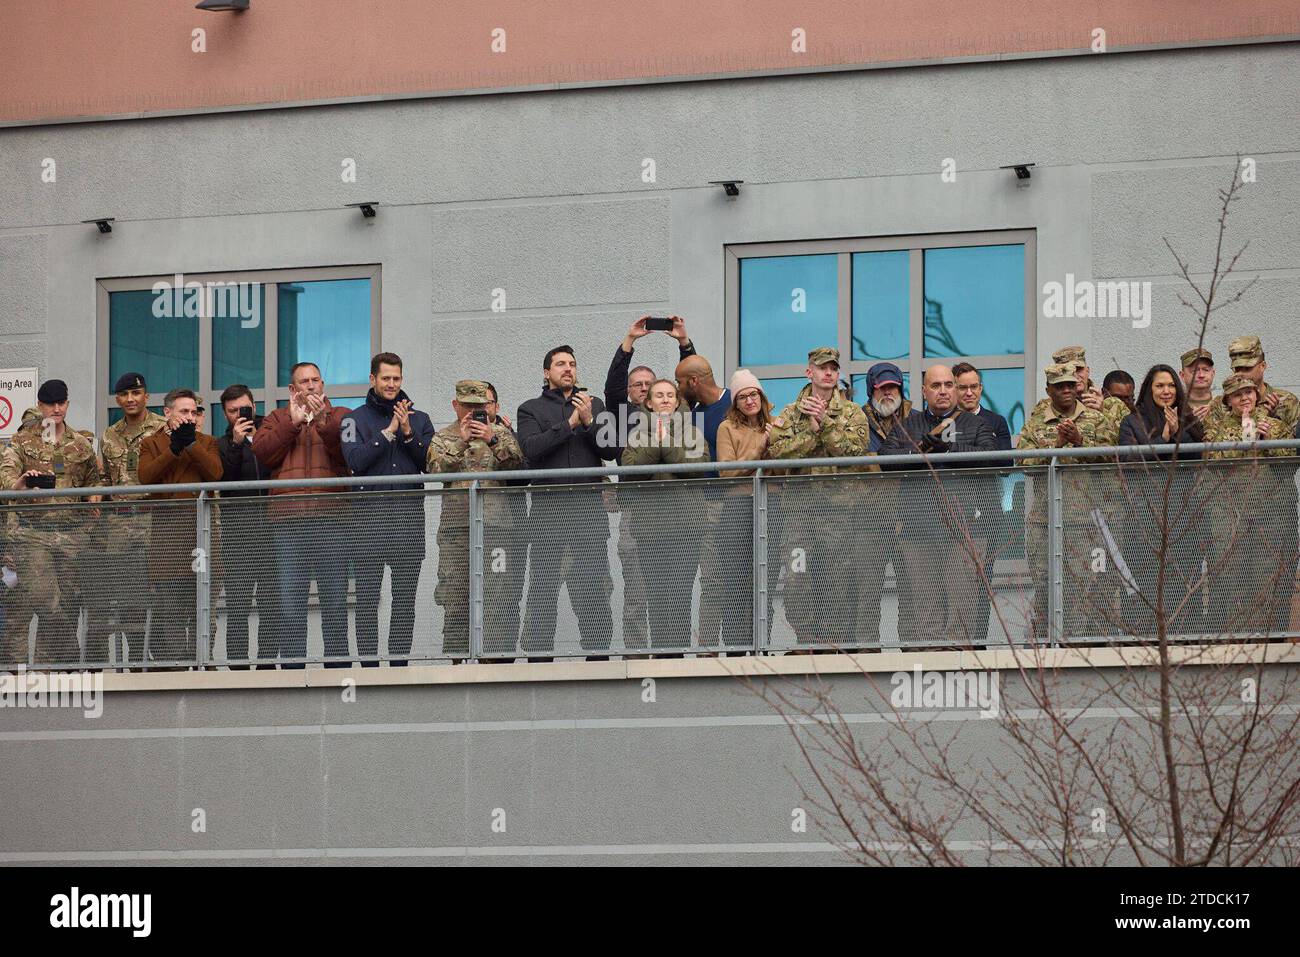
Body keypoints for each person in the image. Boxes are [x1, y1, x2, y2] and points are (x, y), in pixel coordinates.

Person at [880, 364, 1000, 647]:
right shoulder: (908, 425)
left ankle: (961, 680)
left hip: (965, 530)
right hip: (918, 532)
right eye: (936, 386)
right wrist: (921, 448)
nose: (943, 391)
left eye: (949, 385)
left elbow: (994, 457)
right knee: (926, 617)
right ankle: (933, 677)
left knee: (962, 614)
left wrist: (951, 449)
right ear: (924, 391)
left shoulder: (975, 424)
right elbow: (886, 458)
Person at [517, 345, 619, 660]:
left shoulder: (594, 404)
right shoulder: (530, 409)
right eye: (560, 364)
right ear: (547, 372)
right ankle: (539, 658)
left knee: (592, 586)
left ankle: (598, 655)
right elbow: (532, 449)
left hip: (589, 512)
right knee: (543, 588)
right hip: (549, 511)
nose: (568, 369)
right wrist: (570, 425)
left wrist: (589, 420)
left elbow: (612, 450)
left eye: (572, 364)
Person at [767, 347, 873, 648]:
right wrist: (812, 434)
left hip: (837, 511)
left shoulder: (852, 412)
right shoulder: (791, 413)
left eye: (833, 368)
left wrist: (825, 422)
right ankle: (806, 640)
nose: (828, 373)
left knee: (836, 575)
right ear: (809, 372)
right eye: (821, 367)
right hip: (799, 512)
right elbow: (777, 453)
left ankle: (832, 641)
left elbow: (855, 451)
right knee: (798, 576)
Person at [251, 361, 351, 668]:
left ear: (323, 384)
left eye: (316, 380)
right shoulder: (276, 418)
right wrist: (291, 424)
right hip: (288, 523)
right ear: (293, 389)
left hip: (330, 520)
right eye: (304, 382)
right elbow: (262, 453)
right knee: (290, 603)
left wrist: (323, 422)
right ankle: (294, 671)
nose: (311, 386)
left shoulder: (341, 416)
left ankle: (337, 670)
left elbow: (348, 453)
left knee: (334, 602)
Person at [341, 353, 435, 667]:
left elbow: (429, 464)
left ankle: (399, 668)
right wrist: (388, 432)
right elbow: (354, 462)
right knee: (366, 602)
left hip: (408, 524)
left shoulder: (420, 419)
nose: (392, 384)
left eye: (396, 378)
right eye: (386, 378)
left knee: (404, 603)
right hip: (366, 526)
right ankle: (368, 669)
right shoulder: (352, 420)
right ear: (373, 379)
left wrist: (408, 431)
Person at [0, 380, 101, 667]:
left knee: (67, 602)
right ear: (40, 405)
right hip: (33, 534)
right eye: (49, 403)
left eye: (61, 403)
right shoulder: (20, 442)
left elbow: (94, 481)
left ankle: (46, 671)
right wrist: (19, 484)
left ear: (67, 404)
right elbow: (6, 478)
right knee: (44, 600)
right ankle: (70, 647)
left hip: (71, 535)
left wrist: (94, 498)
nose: (56, 409)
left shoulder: (80, 444)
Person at [426, 380, 524, 661]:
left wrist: (492, 439)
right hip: (457, 531)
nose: (473, 412)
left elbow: (517, 467)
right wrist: (461, 442)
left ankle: (493, 662)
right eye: (467, 406)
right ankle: (458, 665)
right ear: (456, 406)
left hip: (497, 530)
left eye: (479, 407)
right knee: (455, 595)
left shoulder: (502, 434)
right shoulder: (443, 437)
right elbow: (434, 471)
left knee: (497, 595)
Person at [1016, 364, 1108, 641]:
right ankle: (1044, 642)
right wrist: (1055, 446)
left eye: (1070, 385)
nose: (1067, 390)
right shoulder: (1035, 422)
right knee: (1044, 583)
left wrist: (1079, 442)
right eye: (1060, 386)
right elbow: (1024, 463)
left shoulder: (1095, 419)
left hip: (1081, 520)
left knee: (1079, 584)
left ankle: (1073, 645)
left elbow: (1109, 461)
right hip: (1043, 519)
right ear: (1048, 390)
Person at [1117, 364, 1209, 638]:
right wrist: (1165, 437)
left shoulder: (1189, 417)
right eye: (1160, 386)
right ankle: (1144, 640)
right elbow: (1130, 459)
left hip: (1184, 515)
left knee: (1182, 581)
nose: (1166, 391)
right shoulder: (1132, 420)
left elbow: (1197, 459)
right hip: (1144, 516)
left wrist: (1180, 430)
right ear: (1149, 389)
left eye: (1170, 385)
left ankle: (1182, 638)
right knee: (1145, 582)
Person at [620, 378, 709, 653]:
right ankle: (660, 654)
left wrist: (664, 442)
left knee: (679, 594)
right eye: (659, 395)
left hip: (687, 528)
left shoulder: (693, 431)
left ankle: (677, 654)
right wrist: (657, 443)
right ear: (648, 402)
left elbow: (698, 467)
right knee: (656, 596)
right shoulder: (636, 435)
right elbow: (631, 471)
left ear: (678, 400)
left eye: (671, 395)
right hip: (649, 530)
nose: (666, 400)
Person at [1204, 373, 1296, 634]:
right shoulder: (1217, 428)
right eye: (1238, 394)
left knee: (1265, 577)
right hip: (1230, 513)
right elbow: (1213, 458)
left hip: (1268, 513)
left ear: (1257, 395)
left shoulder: (1273, 425)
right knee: (1232, 577)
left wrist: (1269, 442)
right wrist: (1244, 440)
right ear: (1228, 400)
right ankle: (1237, 638)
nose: (1245, 398)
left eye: (1249, 392)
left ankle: (1264, 639)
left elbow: (1289, 463)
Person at [138, 389, 223, 667]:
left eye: (194, 412)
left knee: (203, 603)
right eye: (184, 411)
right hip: (167, 536)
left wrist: (190, 445)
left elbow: (215, 474)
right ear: (167, 413)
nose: (190, 417)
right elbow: (147, 478)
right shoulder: (151, 443)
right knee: (171, 606)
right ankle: (176, 662)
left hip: (200, 534)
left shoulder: (207, 442)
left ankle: (202, 658)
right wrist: (173, 449)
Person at [92, 372, 167, 666]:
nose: (131, 399)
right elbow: (104, 478)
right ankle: (135, 654)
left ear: (146, 396)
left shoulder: (163, 427)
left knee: (158, 589)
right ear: (117, 399)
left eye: (136, 393)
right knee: (124, 591)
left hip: (153, 518)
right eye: (124, 394)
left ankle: (161, 655)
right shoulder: (109, 435)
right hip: (120, 523)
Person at [1227, 336, 1300, 631]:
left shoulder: (1286, 400)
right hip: (1238, 502)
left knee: (1281, 573)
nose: (1242, 373)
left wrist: (1272, 416)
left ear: (1263, 366)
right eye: (1237, 368)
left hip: (1278, 498)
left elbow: (1293, 448)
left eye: (1248, 367)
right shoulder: (1228, 401)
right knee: (1240, 578)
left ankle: (1276, 634)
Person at [714, 370, 782, 653]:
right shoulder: (727, 428)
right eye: (743, 396)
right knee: (736, 580)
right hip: (738, 508)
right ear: (735, 402)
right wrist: (760, 449)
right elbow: (727, 473)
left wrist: (774, 445)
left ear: (762, 397)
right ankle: (735, 645)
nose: (750, 400)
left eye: (753, 394)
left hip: (773, 506)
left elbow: (784, 470)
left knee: (767, 577)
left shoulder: (778, 425)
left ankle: (762, 642)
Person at [214, 384, 277, 669]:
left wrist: (256, 440)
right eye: (232, 411)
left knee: (272, 607)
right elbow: (223, 483)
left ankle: (266, 666)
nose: (239, 414)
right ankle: (237, 669)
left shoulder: (270, 431)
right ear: (225, 414)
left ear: (253, 404)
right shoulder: (222, 444)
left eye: (244, 407)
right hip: (238, 537)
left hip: (273, 533)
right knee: (237, 608)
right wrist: (238, 445)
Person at [673, 353, 733, 649]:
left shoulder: (736, 404)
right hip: (697, 507)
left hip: (736, 505)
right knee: (707, 582)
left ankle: (739, 647)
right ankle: (705, 650)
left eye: (679, 382)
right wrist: (684, 343)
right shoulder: (690, 414)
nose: (676, 388)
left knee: (732, 580)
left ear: (693, 382)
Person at [952, 362, 1014, 644]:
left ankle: (979, 641)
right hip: (953, 509)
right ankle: (955, 641)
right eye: (962, 387)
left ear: (981, 388)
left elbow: (1004, 462)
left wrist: (961, 452)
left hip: (988, 511)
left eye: (973, 387)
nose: (968, 393)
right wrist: (981, 451)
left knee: (982, 581)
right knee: (953, 580)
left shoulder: (996, 421)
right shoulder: (945, 421)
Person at [855, 361, 913, 645]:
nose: (888, 393)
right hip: (868, 520)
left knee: (912, 591)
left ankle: (914, 654)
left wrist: (876, 465)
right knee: (866, 592)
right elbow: (854, 467)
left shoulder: (915, 419)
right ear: (871, 390)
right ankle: (866, 655)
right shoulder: (856, 421)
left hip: (908, 519)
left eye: (893, 387)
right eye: (882, 388)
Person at [482, 381, 530, 657]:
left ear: (497, 406)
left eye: (488, 403)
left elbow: (521, 472)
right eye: (478, 404)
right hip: (468, 527)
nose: (483, 409)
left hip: (506, 529)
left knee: (505, 591)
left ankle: (502, 655)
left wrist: (499, 436)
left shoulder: (509, 435)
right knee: (464, 595)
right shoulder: (457, 435)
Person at [1030, 346, 1129, 444]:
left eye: (1078, 369)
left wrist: (1103, 413)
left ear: (1087, 370)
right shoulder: (1045, 406)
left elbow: (1125, 443)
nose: (1075, 376)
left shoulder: (1114, 405)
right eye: (1067, 371)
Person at [1179, 348, 1218, 427]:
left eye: (1206, 370)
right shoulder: (1176, 408)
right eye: (1194, 371)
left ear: (1213, 373)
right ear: (1182, 375)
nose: (1201, 375)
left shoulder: (1225, 406)